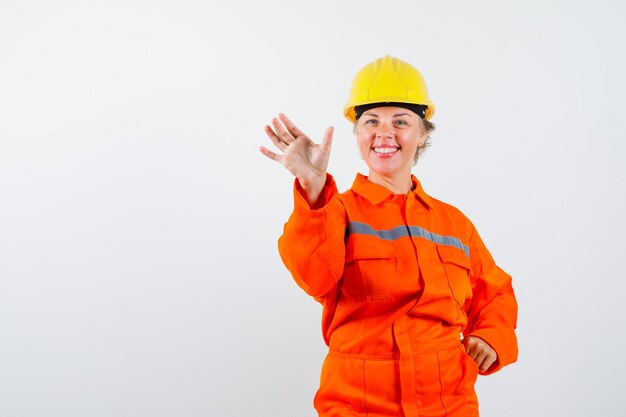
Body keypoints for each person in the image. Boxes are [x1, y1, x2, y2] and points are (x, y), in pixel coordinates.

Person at [260, 55, 518, 417]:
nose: (385, 133)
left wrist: (491, 337)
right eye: (371, 121)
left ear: (422, 132)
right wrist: (313, 187)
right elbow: (313, 277)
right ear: (357, 133)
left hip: (449, 404)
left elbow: (496, 293)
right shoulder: (334, 211)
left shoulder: (454, 224)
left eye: (401, 121)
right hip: (359, 406)